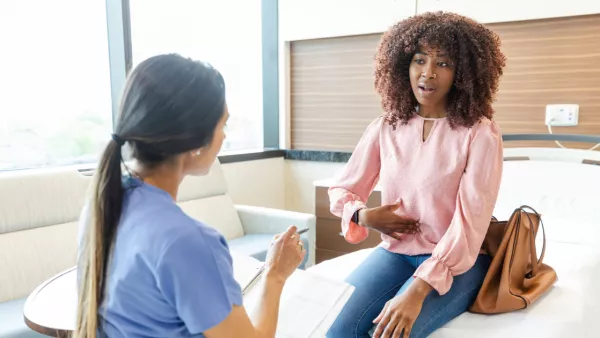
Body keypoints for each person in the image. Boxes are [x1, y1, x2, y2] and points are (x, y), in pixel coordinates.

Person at [75, 54, 305, 338]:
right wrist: (275, 274)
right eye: (223, 126)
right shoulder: (188, 241)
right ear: (197, 141)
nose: (224, 137)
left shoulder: (102, 205)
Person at [326, 11, 507, 338]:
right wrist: (363, 216)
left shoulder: (479, 134)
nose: (428, 73)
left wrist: (416, 290)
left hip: (457, 265)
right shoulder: (386, 127)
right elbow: (342, 190)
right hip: (395, 254)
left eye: (444, 63)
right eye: (419, 60)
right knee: (334, 328)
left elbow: (470, 225)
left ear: (463, 74)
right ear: (402, 66)